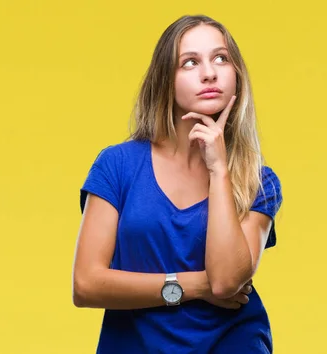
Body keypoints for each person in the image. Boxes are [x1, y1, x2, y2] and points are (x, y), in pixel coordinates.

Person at [72, 14, 283, 354]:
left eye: (221, 58)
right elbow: (85, 285)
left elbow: (228, 281)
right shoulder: (118, 165)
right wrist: (194, 286)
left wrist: (219, 170)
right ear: (166, 81)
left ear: (237, 76)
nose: (209, 72)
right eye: (189, 62)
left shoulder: (258, 180)